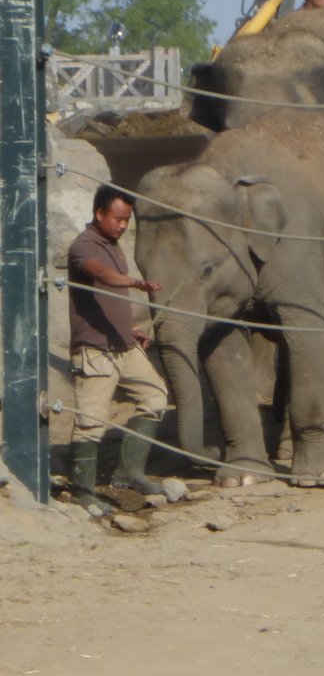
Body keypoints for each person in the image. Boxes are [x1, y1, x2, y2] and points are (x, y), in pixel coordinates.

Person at [67, 183, 168, 512]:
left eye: (127, 220)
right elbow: (100, 275)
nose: (123, 226)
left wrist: (130, 328)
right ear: (99, 214)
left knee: (154, 396)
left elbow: (108, 300)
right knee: (91, 421)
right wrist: (136, 283)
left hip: (123, 344)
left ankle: (129, 473)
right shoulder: (84, 246)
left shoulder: (114, 244)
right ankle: (83, 491)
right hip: (96, 350)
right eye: (118, 219)